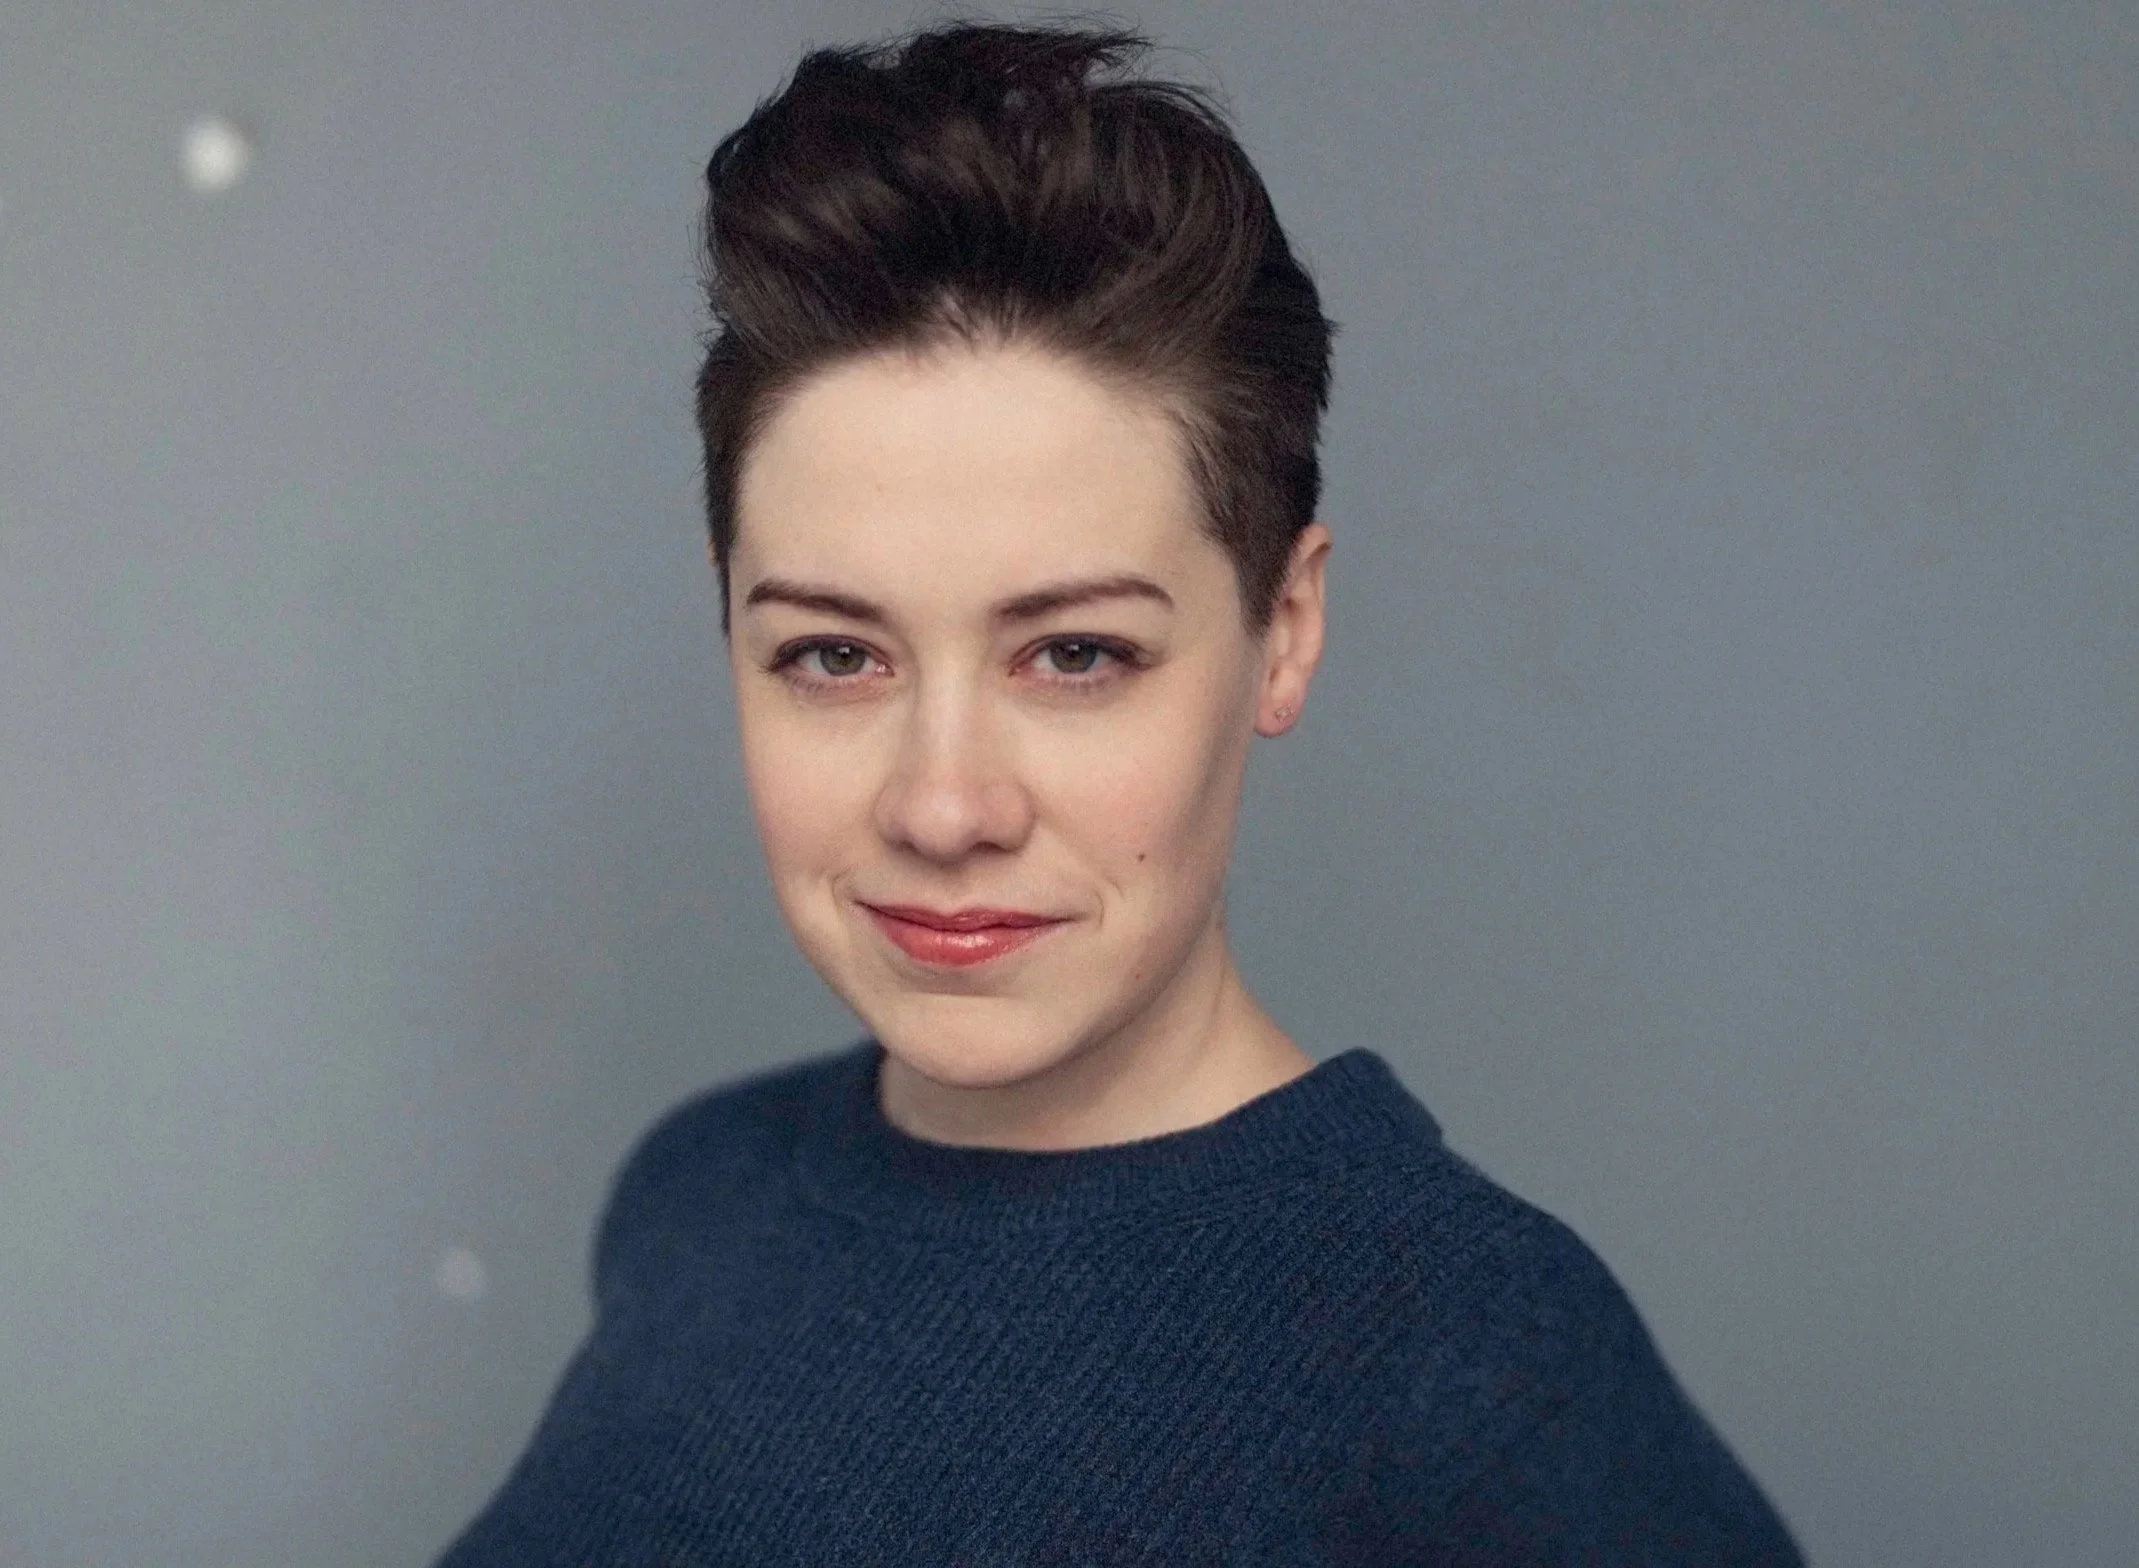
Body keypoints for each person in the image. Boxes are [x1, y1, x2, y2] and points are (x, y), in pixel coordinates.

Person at [434, 21, 1803, 1566]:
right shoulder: (701, 1195)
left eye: (1075, 654)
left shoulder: (1473, 1363)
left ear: (1284, 630)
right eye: (833, 654)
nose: (943, 807)